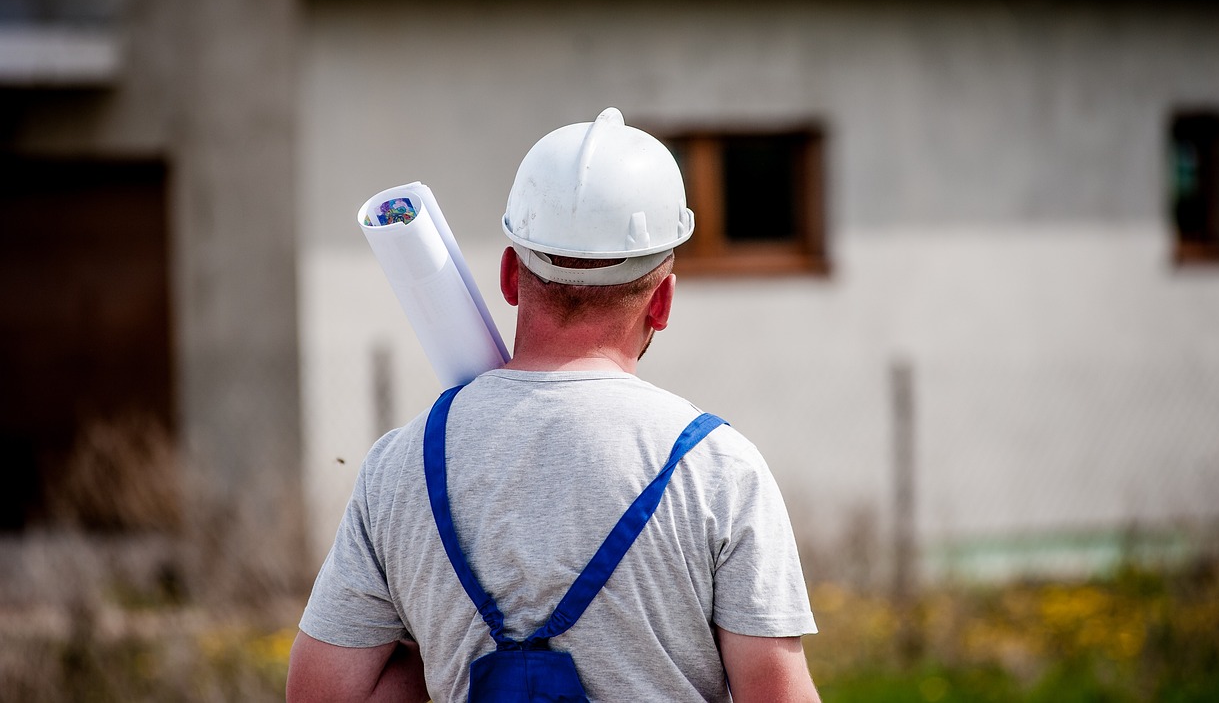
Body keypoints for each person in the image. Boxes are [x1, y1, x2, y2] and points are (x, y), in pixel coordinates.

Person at [287, 108, 820, 702]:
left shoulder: (400, 465)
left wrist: (426, 646)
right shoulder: (720, 470)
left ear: (512, 275)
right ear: (663, 302)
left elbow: (320, 694)